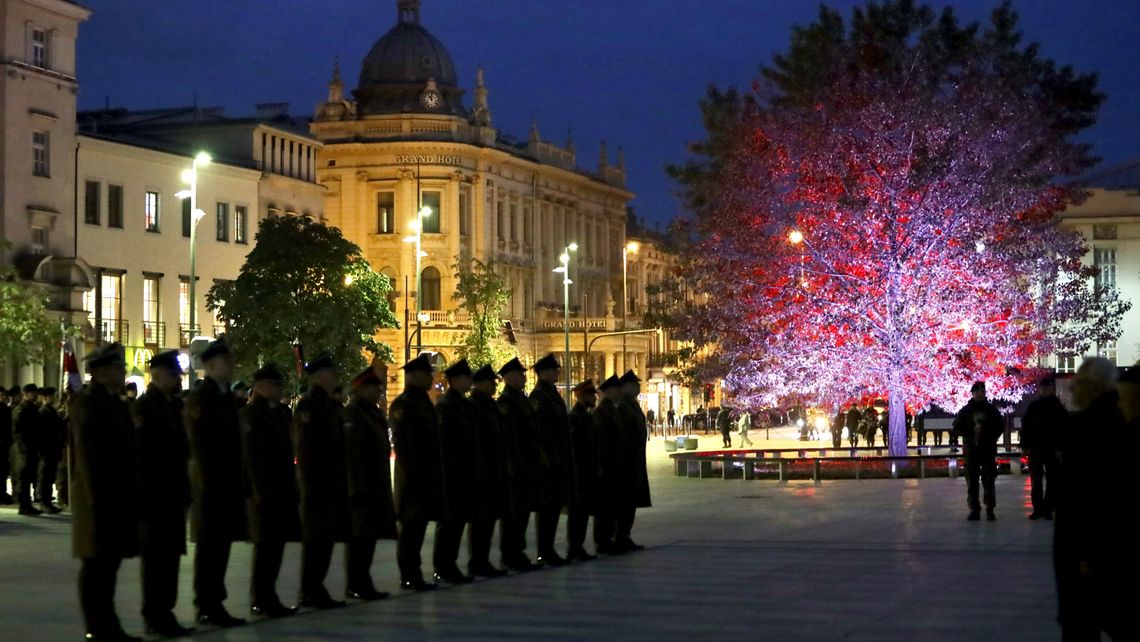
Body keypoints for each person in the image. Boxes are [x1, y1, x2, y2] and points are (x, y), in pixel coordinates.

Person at [1055, 358, 1131, 641]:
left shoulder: (1087, 427)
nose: (1072, 389)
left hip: (1087, 549)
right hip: (1107, 546)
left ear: (1092, 388)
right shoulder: (1121, 419)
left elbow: (1084, 496)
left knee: (1083, 622)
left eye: (1078, 384)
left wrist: (1084, 551)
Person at [70, 343, 142, 642]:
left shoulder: (114, 401)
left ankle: (107, 624)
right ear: (101, 372)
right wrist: (98, 499)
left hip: (116, 494)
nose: (122, 372)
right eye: (117, 368)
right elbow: (88, 456)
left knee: (108, 563)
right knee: (97, 563)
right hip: (98, 496)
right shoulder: (90, 402)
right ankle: (97, 626)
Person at [184, 338, 247, 626]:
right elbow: (202, 447)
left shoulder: (225, 396)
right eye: (226, 360)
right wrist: (211, 484)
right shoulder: (201, 397)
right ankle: (205, 603)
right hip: (211, 486)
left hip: (228, 484)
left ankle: (215, 601)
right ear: (210, 365)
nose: (232, 364)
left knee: (221, 547)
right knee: (210, 547)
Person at [132, 350, 194, 637]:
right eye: (172, 375)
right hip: (154, 497)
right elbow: (142, 458)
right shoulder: (145, 407)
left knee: (170, 558)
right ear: (157, 374)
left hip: (173, 494)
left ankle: (165, 612)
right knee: (156, 560)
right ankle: (154, 615)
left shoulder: (171, 406)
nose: (177, 380)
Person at [240, 364, 301, 618]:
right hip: (264, 491)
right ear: (261, 386)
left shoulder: (279, 413)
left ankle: (269, 596)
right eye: (275, 385)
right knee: (265, 546)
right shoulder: (253, 415)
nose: (279, 389)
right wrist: (258, 491)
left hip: (281, 488)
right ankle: (261, 598)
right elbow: (252, 457)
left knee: (275, 546)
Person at [294, 354, 350, 609]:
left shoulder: (328, 405)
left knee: (325, 539)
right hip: (318, 484)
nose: (334, 375)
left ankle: (317, 587)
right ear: (319, 375)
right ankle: (310, 589)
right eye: (330, 371)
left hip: (332, 482)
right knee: (316, 540)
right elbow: (307, 450)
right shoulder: (309, 405)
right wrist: (312, 485)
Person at [343, 365, 397, 600]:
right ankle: (356, 583)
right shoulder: (354, 413)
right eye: (376, 387)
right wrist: (356, 487)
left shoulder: (372, 412)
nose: (380, 391)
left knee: (370, 536)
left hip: (376, 484)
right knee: (360, 538)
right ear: (362, 389)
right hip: (362, 486)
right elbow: (352, 455)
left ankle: (363, 581)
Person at [390, 353, 443, 590]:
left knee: (419, 527)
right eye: (427, 375)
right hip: (412, 477)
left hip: (425, 476)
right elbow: (404, 445)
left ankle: (415, 573)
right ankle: (409, 574)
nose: (431, 379)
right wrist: (414, 476)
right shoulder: (404, 404)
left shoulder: (422, 402)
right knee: (411, 529)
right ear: (414, 377)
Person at [433, 359, 476, 583]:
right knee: (449, 522)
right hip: (451, 473)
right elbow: (445, 443)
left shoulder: (462, 403)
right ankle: (443, 566)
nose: (471, 380)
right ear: (455, 380)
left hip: (464, 471)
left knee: (458, 520)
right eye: (467, 377)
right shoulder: (447, 405)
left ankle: (450, 564)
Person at [496, 357, 541, 571]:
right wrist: (514, 463)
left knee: (522, 511)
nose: (524, 377)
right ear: (509, 377)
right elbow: (509, 438)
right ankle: (510, 553)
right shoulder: (506, 402)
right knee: (513, 513)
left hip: (527, 464)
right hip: (516, 465)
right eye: (520, 374)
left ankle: (517, 551)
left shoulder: (520, 399)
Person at [529, 353, 571, 567]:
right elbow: (540, 432)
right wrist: (547, 458)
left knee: (554, 507)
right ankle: (544, 550)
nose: (557, 373)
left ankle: (549, 549)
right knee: (546, 508)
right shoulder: (539, 397)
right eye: (554, 370)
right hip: (547, 462)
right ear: (543, 373)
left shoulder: (551, 394)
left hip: (557, 459)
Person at [466, 364, 508, 578]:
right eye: (491, 381)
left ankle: (482, 560)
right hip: (482, 471)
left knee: (488, 519)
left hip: (493, 470)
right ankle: (477, 561)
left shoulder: (488, 404)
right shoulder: (474, 405)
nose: (494, 385)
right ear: (481, 383)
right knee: (480, 520)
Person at [953, 381, 1004, 521]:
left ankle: (990, 508)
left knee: (989, 480)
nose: (981, 393)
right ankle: (974, 509)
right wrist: (970, 433)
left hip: (987, 449)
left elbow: (1000, 426)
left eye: (983, 391)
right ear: (973, 393)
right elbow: (957, 427)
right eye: (978, 391)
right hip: (972, 451)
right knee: (972, 481)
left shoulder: (991, 409)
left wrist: (989, 436)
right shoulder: (966, 410)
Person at [1021, 376, 1065, 520]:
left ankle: (1048, 509)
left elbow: (1063, 430)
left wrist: (1060, 448)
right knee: (1036, 481)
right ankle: (1038, 509)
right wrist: (1024, 445)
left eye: (1048, 388)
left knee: (1053, 480)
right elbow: (1026, 426)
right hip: (1036, 448)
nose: (1045, 390)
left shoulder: (1058, 407)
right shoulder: (1033, 407)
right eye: (1043, 388)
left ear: (1052, 389)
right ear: (1039, 389)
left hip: (1052, 449)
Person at [615, 370, 650, 553]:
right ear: (626, 386)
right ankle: (619, 537)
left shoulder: (631, 404)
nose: (638, 386)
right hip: (626, 461)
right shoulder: (623, 406)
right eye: (635, 384)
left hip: (634, 459)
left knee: (631, 501)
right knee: (625, 501)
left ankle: (624, 536)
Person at [593, 375, 628, 554]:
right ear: (610, 391)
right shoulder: (602, 412)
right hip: (607, 466)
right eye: (618, 389)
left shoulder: (612, 410)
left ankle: (609, 539)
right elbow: (601, 442)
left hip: (614, 465)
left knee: (612, 505)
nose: (621, 392)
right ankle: (603, 541)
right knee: (605, 506)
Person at [567, 379, 599, 562]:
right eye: (590, 395)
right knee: (578, 512)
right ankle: (575, 547)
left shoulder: (586, 416)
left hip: (588, 470)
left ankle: (578, 546)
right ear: (581, 396)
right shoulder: (575, 417)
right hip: (579, 471)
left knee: (584, 510)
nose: (594, 398)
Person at [11, 383, 43, 515]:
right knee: (23, 478)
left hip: (32, 448)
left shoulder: (33, 408)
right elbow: (17, 432)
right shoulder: (21, 410)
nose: (36, 395)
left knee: (29, 476)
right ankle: (24, 505)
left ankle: (27, 504)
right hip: (24, 450)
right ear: (26, 394)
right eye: (33, 393)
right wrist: (23, 448)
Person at [36, 387, 66, 513]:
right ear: (45, 397)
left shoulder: (51, 411)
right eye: (53, 396)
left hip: (53, 449)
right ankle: (44, 502)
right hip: (47, 449)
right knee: (45, 477)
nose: (54, 398)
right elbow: (46, 431)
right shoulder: (43, 412)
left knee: (50, 476)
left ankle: (47, 501)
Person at [0, 386, 13, 505]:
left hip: (5, 445)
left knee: (3, 471)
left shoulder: (6, 409)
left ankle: (2, 493)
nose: (4, 397)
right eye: (2, 395)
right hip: (2, 444)